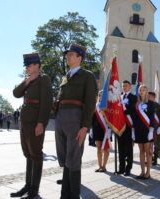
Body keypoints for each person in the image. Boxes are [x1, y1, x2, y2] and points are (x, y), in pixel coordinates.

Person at [55, 44, 97, 199]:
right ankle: (64, 195)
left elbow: (90, 103)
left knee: (73, 157)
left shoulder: (87, 76)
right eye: (67, 54)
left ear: (80, 57)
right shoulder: (66, 76)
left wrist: (85, 126)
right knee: (65, 157)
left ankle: (73, 195)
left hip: (76, 118)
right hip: (61, 118)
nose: (68, 56)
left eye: (71, 54)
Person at [11, 53, 52, 198]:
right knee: (28, 154)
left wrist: (41, 123)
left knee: (36, 154)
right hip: (25, 122)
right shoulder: (29, 80)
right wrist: (28, 80)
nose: (27, 68)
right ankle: (27, 186)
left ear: (36, 64)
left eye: (28, 65)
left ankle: (34, 189)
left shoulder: (44, 79)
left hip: (35, 122)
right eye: (26, 66)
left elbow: (46, 103)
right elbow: (16, 93)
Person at [132, 85, 155, 179]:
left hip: (147, 130)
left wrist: (151, 130)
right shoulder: (136, 104)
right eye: (140, 90)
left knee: (148, 152)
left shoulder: (150, 103)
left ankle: (148, 172)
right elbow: (134, 118)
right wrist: (133, 130)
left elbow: (152, 118)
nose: (141, 92)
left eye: (143, 90)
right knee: (141, 151)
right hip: (138, 130)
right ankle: (142, 171)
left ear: (147, 92)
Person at [118, 80, 137, 176]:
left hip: (128, 125)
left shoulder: (133, 97)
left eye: (126, 85)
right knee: (120, 147)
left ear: (130, 87)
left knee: (129, 148)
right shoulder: (119, 97)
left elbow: (132, 110)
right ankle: (121, 168)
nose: (124, 87)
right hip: (120, 125)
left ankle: (128, 168)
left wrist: (124, 109)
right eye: (123, 86)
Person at [92, 91, 110, 172]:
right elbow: (93, 118)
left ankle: (104, 166)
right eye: (100, 95)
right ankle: (100, 166)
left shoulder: (109, 106)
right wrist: (91, 129)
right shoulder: (96, 106)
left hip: (106, 129)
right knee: (99, 148)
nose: (101, 96)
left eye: (103, 95)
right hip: (97, 129)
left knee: (106, 148)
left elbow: (111, 118)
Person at [148, 92, 160, 165]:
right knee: (148, 144)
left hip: (156, 128)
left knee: (156, 144)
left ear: (153, 97)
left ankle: (155, 159)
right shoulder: (146, 105)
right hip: (148, 128)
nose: (148, 97)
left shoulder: (158, 106)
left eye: (150, 96)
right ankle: (149, 158)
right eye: (148, 96)